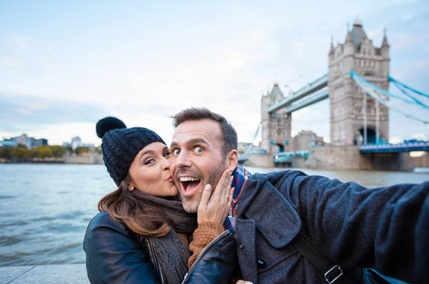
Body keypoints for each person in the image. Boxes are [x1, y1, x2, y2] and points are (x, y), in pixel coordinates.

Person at [168, 107, 429, 284]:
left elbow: (394, 219)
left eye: (198, 148)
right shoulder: (181, 223)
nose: (180, 161)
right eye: (175, 150)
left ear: (231, 160)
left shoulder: (297, 196)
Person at [83, 116, 238, 284]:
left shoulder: (195, 209)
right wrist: (209, 232)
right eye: (150, 161)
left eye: (167, 154)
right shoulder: (108, 229)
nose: (168, 164)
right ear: (128, 182)